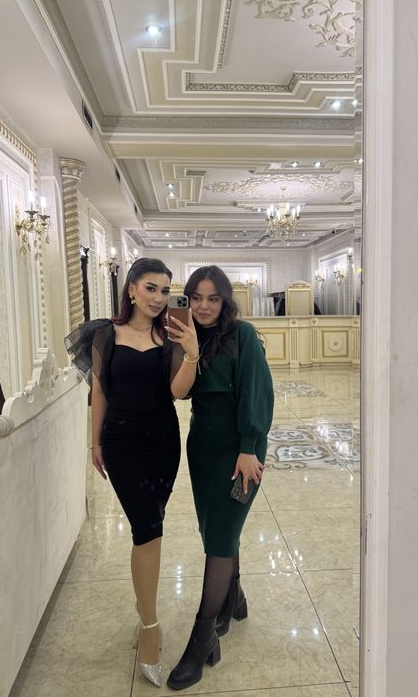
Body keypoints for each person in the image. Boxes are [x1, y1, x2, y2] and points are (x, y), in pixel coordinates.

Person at [64, 258, 198, 688]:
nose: (159, 298)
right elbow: (99, 390)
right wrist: (95, 443)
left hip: (162, 442)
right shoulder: (104, 334)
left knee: (152, 527)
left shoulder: (170, 335)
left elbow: (178, 392)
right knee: (146, 529)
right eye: (151, 288)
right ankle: (150, 629)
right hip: (121, 444)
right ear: (132, 290)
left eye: (165, 291)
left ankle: (146, 615)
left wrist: (191, 353)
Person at [166, 265, 274, 691]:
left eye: (213, 298)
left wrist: (249, 447)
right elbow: (179, 392)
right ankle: (235, 599)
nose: (204, 306)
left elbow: (257, 392)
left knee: (221, 539)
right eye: (196, 298)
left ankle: (202, 638)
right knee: (216, 532)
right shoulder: (187, 336)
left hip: (239, 450)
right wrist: (188, 347)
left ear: (225, 300)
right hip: (203, 449)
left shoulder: (241, 335)